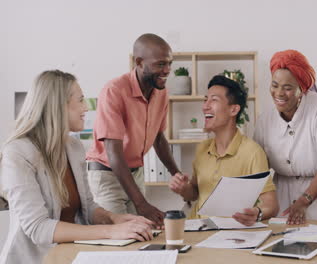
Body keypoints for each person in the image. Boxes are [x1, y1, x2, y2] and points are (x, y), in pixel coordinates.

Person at [0, 70, 154, 264]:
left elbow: (88, 207)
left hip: (70, 256)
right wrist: (110, 231)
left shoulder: (73, 147)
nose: (86, 108)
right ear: (59, 105)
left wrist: (114, 218)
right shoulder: (18, 152)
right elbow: (38, 228)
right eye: (80, 100)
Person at [86, 33, 187, 228]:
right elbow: (113, 153)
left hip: (135, 174)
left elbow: (159, 139)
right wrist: (142, 204)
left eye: (170, 64)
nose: (167, 70)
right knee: (117, 239)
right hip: (107, 175)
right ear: (139, 62)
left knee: (140, 234)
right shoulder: (114, 90)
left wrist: (176, 173)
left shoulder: (161, 92)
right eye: (160, 64)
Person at [169, 75, 279, 226]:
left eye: (213, 100)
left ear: (233, 109)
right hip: (196, 229)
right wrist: (183, 188)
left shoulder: (252, 152)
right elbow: (195, 193)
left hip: (230, 235)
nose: (205, 106)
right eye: (205, 99)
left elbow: (271, 205)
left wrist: (258, 213)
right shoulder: (202, 148)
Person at [254, 50, 317, 224]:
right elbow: (257, 163)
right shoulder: (265, 119)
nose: (279, 93)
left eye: (288, 88)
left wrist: (303, 202)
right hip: (282, 196)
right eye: (275, 85)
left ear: (302, 89)